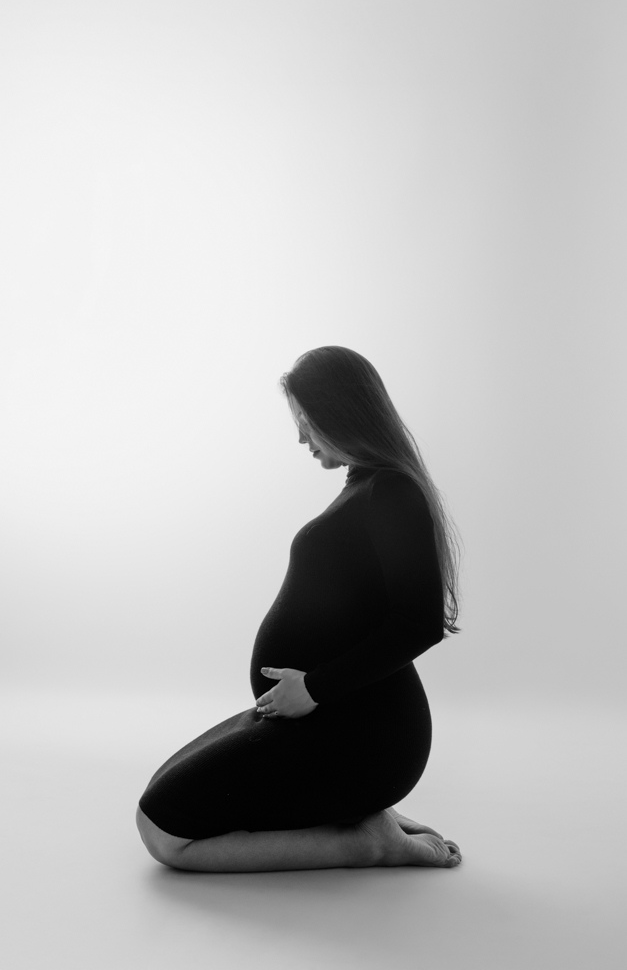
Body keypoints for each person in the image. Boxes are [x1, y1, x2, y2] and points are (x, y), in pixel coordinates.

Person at [136, 346, 463, 872]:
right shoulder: (366, 486)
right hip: (327, 722)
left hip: (364, 737)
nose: (300, 438)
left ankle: (369, 843)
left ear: (342, 414)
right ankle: (362, 813)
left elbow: (418, 623)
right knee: (161, 794)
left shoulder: (392, 491)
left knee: (162, 832)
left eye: (307, 422)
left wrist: (314, 688)